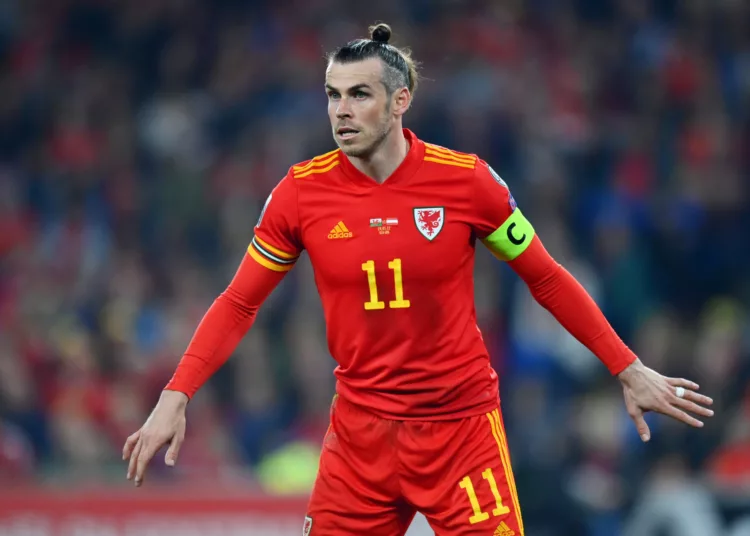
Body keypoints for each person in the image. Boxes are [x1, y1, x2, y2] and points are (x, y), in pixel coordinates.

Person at [123, 23, 714, 535]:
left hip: (460, 431)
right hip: (360, 437)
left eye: (359, 95)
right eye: (332, 95)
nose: (341, 111)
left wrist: (626, 366)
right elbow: (238, 302)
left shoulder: (467, 183)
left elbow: (547, 277)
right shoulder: (300, 194)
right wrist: (175, 396)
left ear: (400, 100)